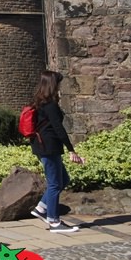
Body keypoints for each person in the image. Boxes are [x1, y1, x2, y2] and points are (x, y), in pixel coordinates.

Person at [28, 69, 84, 233]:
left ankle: (41, 208)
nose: (60, 86)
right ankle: (53, 221)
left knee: (64, 179)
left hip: (44, 147)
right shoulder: (50, 105)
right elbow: (58, 128)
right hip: (48, 147)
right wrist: (71, 150)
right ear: (53, 84)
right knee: (54, 184)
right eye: (58, 83)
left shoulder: (41, 102)